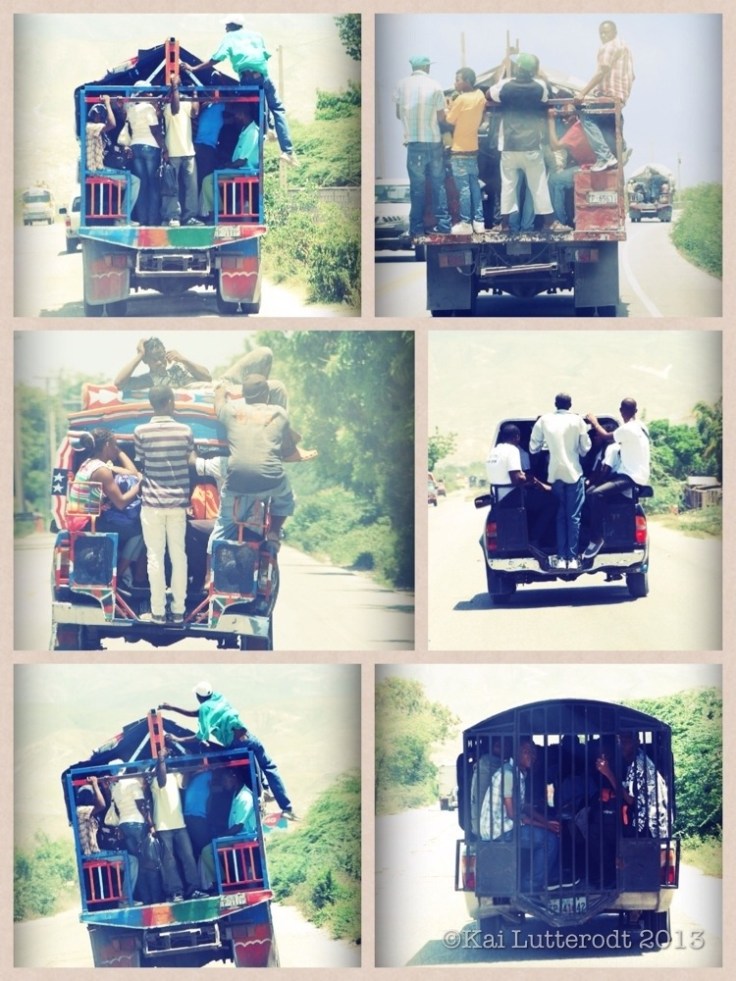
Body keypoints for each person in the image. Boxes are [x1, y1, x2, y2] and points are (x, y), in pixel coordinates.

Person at [159, 681, 297, 819]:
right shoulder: (219, 698)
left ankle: (260, 798)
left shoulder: (205, 709)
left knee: (244, 773)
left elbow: (202, 736)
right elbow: (197, 712)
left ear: (198, 696)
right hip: (248, 737)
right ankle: (286, 807)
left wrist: (177, 739)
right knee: (268, 766)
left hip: (235, 743)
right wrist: (173, 708)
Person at [210, 374, 316, 552]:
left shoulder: (230, 410)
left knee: (221, 527)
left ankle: (209, 574)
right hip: (271, 480)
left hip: (236, 480)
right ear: (267, 395)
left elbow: (218, 403)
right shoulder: (279, 413)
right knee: (286, 499)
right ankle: (274, 533)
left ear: (243, 394)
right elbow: (288, 448)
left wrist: (220, 389)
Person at [186, 16, 298, 166]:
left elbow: (217, 58)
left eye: (226, 26)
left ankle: (267, 129)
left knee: (247, 106)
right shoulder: (257, 36)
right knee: (276, 108)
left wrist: (194, 68)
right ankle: (287, 150)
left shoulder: (230, 37)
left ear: (231, 26)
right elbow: (265, 55)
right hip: (262, 77)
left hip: (246, 79)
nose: (225, 29)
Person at [134, 386, 197, 624]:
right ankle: (179, 610)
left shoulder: (140, 432)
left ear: (152, 403)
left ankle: (158, 612)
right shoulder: (185, 430)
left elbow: (142, 463)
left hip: (151, 504)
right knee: (178, 556)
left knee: (154, 557)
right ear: (170, 401)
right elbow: (189, 459)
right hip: (178, 504)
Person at [486, 52, 559, 233]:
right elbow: (546, 96)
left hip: (509, 145)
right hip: (531, 145)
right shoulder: (539, 86)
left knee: (508, 186)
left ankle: (504, 225)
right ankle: (550, 222)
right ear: (533, 70)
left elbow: (489, 94)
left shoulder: (505, 85)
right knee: (538, 185)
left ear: (518, 68)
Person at [479, 738, 561, 891]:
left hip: (506, 826)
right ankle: (531, 885)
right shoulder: (508, 774)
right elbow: (513, 815)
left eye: (534, 752)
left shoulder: (518, 774)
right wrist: (546, 826)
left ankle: (548, 876)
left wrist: (547, 822)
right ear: (516, 754)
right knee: (549, 841)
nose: (532, 755)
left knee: (550, 834)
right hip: (498, 830)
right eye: (526, 751)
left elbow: (524, 807)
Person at [66, 428, 144, 583]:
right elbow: (121, 502)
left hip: (85, 520)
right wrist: (140, 486)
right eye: (115, 445)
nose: (117, 449)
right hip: (90, 524)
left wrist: (118, 450)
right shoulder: (102, 470)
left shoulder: (90, 464)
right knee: (139, 532)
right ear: (107, 444)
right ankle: (118, 576)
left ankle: (121, 572)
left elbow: (132, 473)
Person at [529, 394, 592, 570]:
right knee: (573, 517)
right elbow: (585, 448)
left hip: (554, 475)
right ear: (570, 405)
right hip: (574, 474)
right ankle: (571, 558)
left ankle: (561, 556)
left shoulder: (544, 420)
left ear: (555, 404)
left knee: (560, 515)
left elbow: (533, 447)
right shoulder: (577, 420)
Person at [393, 55, 452, 239]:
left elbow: (397, 114)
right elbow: (442, 117)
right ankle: (443, 225)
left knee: (417, 188)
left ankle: (417, 229)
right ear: (427, 67)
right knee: (438, 184)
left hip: (414, 142)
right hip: (433, 141)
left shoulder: (401, 85)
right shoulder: (435, 85)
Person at [583, 399, 650, 558]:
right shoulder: (641, 427)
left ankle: (596, 539)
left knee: (594, 494)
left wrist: (594, 422)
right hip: (633, 474)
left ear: (621, 411)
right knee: (592, 492)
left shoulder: (627, 429)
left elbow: (606, 437)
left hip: (630, 476)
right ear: (636, 410)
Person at [149, 749, 208, 901]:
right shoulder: (156, 781)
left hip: (179, 824)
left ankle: (194, 889)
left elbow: (185, 783)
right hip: (163, 826)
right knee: (169, 862)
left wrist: (186, 764)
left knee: (188, 857)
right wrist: (161, 757)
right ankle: (176, 891)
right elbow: (162, 780)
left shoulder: (174, 776)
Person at [486, 423, 557, 546]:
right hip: (513, 497)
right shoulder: (513, 450)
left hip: (499, 497)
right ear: (517, 437)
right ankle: (535, 538)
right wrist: (535, 481)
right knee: (551, 503)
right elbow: (517, 479)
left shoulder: (493, 452)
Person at [578, 21, 635, 172]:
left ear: (614, 32)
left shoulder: (608, 47)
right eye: (601, 33)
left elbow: (602, 71)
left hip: (609, 95)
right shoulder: (625, 47)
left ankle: (604, 156)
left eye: (606, 32)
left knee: (585, 115)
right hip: (620, 98)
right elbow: (632, 76)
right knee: (610, 125)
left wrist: (583, 93)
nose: (603, 36)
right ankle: (620, 148)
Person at [198, 766, 258, 892]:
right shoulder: (236, 794)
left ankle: (219, 883)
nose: (224, 784)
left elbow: (238, 827)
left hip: (243, 837)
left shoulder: (245, 797)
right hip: (237, 836)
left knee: (207, 851)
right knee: (216, 846)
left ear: (234, 778)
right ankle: (225, 880)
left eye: (225, 781)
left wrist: (220, 837)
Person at [198, 103, 260, 221]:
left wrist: (227, 166)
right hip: (239, 170)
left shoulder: (252, 132)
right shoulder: (245, 129)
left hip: (245, 170)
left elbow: (241, 161)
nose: (235, 117)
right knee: (214, 177)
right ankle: (218, 212)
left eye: (236, 114)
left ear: (242, 114)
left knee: (208, 181)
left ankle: (216, 213)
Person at [85, 95, 141, 223]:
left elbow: (109, 149)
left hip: (101, 168)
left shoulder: (97, 132)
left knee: (125, 184)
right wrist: (108, 104)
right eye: (102, 116)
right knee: (135, 181)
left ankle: (121, 216)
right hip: (98, 169)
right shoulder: (91, 127)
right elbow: (112, 124)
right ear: (96, 116)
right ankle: (123, 217)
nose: (103, 120)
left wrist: (123, 150)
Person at [445, 67, 487, 234]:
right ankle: (479, 221)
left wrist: (449, 105)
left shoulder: (461, 99)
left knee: (463, 188)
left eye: (458, 79)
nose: (455, 83)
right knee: (474, 186)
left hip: (459, 150)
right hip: (473, 148)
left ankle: (466, 223)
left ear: (467, 81)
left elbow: (449, 120)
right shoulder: (480, 96)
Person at [108, 760, 154, 901]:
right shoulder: (132, 783)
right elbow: (141, 805)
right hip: (137, 824)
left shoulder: (114, 788)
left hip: (124, 826)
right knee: (150, 862)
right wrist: (150, 823)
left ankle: (144, 897)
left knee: (138, 864)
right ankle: (155, 897)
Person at [546, 104, 597, 230]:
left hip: (587, 168)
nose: (564, 120)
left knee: (554, 180)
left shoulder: (576, 128)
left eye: (567, 116)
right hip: (588, 165)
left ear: (575, 115)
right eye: (562, 116)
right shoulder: (582, 125)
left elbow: (555, 146)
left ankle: (559, 220)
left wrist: (551, 121)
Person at [161, 74, 202, 227]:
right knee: (172, 187)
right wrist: (175, 86)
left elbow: (195, 112)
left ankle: (190, 216)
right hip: (173, 153)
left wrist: (195, 93)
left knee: (192, 187)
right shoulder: (169, 107)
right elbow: (176, 109)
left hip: (188, 152)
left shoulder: (185, 104)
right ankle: (173, 216)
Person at [126, 80, 167, 225]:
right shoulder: (148, 108)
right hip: (150, 147)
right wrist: (164, 148)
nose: (151, 94)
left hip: (136, 146)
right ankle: (152, 220)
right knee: (153, 185)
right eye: (148, 92)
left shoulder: (131, 109)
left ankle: (142, 219)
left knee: (142, 185)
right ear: (143, 92)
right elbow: (155, 130)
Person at [114, 337, 212, 394]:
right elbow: (119, 383)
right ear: (145, 360)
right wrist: (140, 355)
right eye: (154, 360)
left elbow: (207, 378)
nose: (159, 362)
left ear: (165, 353)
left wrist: (184, 359)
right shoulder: (148, 380)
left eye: (161, 357)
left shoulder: (180, 366)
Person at [76, 775, 107, 855]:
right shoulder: (81, 811)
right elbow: (102, 805)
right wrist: (95, 784)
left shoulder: (85, 812)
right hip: (91, 853)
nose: (95, 799)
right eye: (94, 796)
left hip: (92, 852)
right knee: (132, 860)